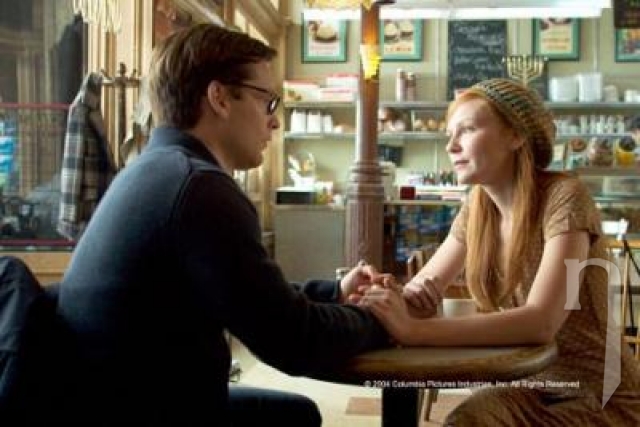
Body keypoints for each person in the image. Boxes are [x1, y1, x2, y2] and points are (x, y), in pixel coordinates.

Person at [57, 24, 390, 427]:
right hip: (143, 414)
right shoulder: (199, 188)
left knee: (294, 413)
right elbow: (294, 341)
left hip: (107, 402)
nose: (275, 122)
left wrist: (335, 292)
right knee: (295, 417)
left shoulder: (154, 170)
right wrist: (381, 319)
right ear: (219, 98)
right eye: (268, 102)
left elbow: (250, 296)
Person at [360, 78, 640, 425]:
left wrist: (415, 331)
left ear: (516, 135)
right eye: (450, 134)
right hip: (528, 382)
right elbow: (424, 287)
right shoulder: (477, 207)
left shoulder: (564, 197)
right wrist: (399, 298)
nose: (451, 146)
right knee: (467, 420)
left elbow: (542, 322)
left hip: (600, 393)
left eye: (467, 130)